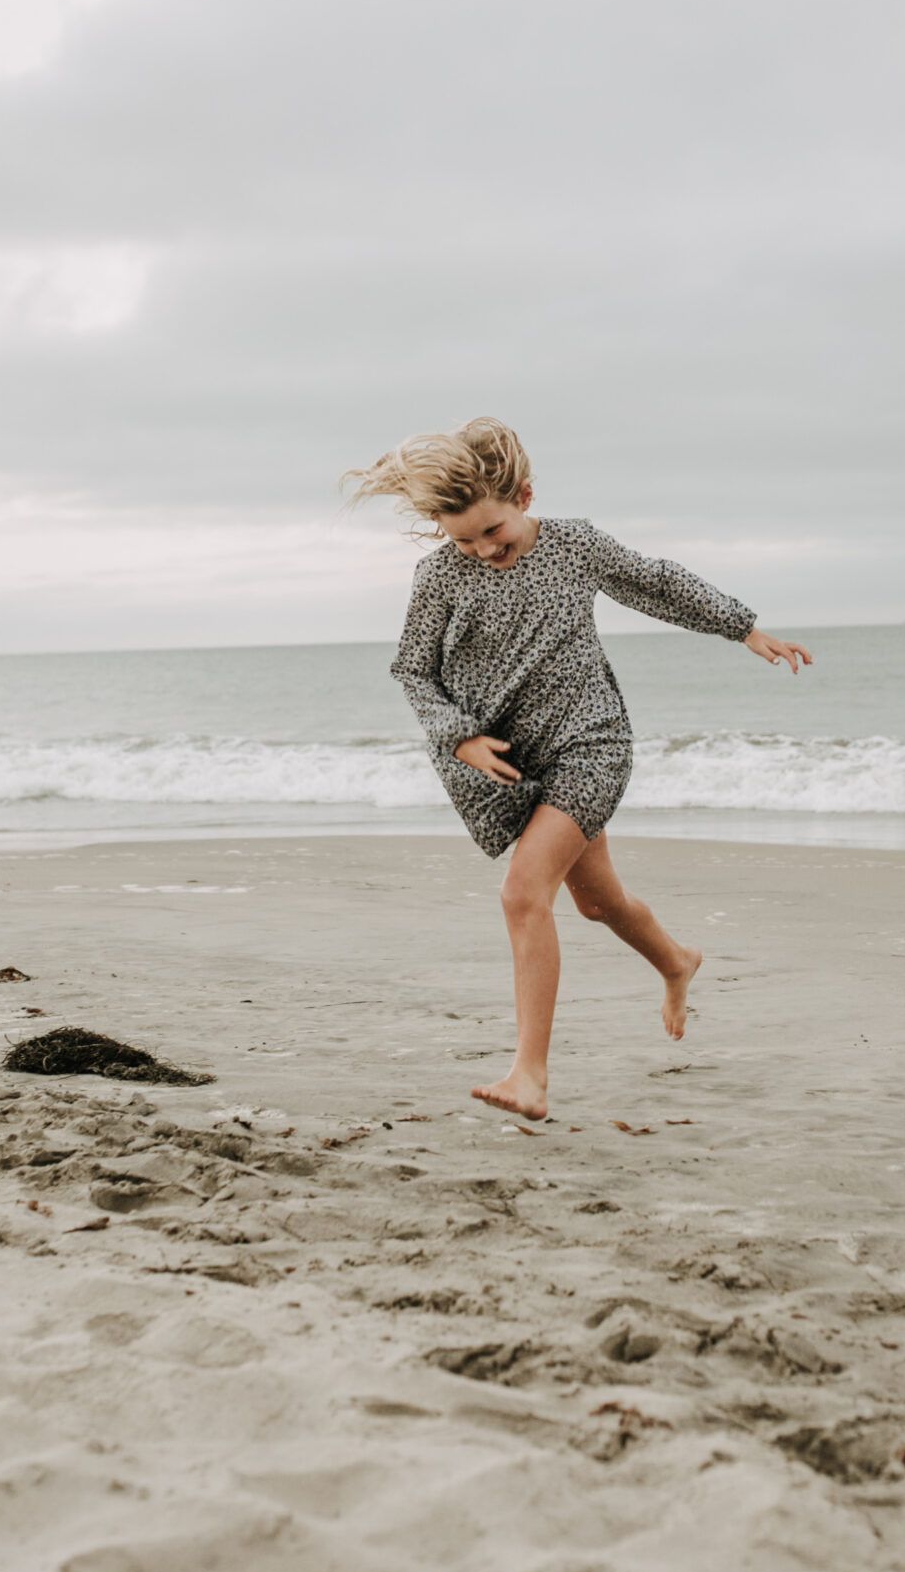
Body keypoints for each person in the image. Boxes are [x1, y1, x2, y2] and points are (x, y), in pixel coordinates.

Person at [346, 417, 811, 1120]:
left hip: (590, 744)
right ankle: (676, 961)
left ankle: (527, 1073)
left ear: (523, 496)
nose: (482, 550)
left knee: (521, 893)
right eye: (464, 539)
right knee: (596, 904)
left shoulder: (573, 545)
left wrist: (742, 627)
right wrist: (460, 736)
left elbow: (656, 582)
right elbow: (413, 670)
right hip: (511, 760)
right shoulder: (439, 576)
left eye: (492, 532)